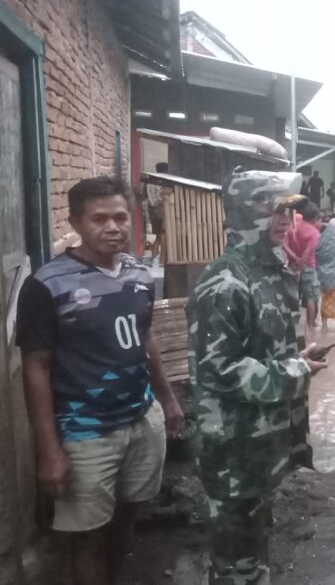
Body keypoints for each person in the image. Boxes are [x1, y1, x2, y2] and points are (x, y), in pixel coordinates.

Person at [16, 176, 183, 585]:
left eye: (121, 217)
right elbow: (35, 367)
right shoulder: (46, 285)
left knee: (128, 513)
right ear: (75, 221)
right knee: (85, 536)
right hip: (85, 432)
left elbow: (145, 338)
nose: (112, 227)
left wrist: (168, 399)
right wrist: (49, 450)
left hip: (140, 419)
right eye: (99, 219)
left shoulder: (139, 273)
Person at [187, 169, 327, 584]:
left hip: (260, 446)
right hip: (233, 452)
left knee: (253, 547)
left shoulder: (268, 271)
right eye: (273, 207)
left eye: (288, 209)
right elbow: (219, 371)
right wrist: (293, 370)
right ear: (244, 211)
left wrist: (295, 356)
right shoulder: (224, 284)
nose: (285, 219)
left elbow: (262, 347)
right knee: (234, 562)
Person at [286, 202, 323, 331]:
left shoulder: (295, 226)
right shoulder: (314, 234)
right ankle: (310, 326)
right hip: (307, 267)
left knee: (295, 298)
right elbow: (307, 255)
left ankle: (295, 327)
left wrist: (295, 264)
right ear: (314, 218)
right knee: (311, 298)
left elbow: (286, 244)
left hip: (293, 266)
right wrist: (301, 264)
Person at [145, 162, 169, 264]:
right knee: (163, 235)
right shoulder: (161, 181)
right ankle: (162, 260)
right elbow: (160, 197)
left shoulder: (150, 181)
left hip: (152, 211)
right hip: (161, 210)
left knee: (158, 236)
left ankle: (153, 258)